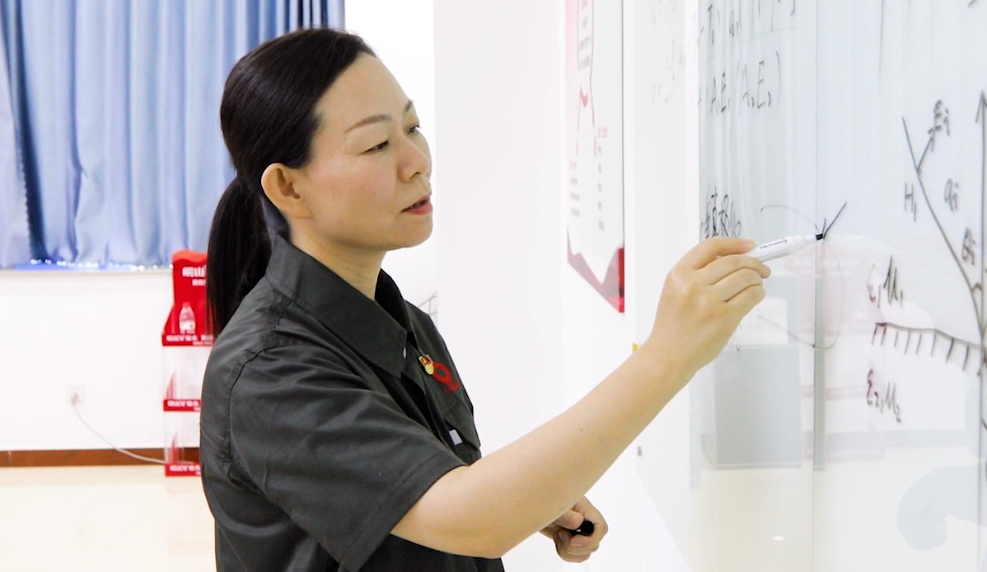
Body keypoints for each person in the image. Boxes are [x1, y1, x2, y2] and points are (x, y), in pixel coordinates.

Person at [200, 27, 770, 572]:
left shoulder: (403, 323)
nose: (416, 161)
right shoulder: (268, 371)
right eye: (376, 144)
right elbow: (473, 517)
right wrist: (667, 355)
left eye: (413, 127)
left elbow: (442, 491)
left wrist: (533, 498)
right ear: (289, 187)